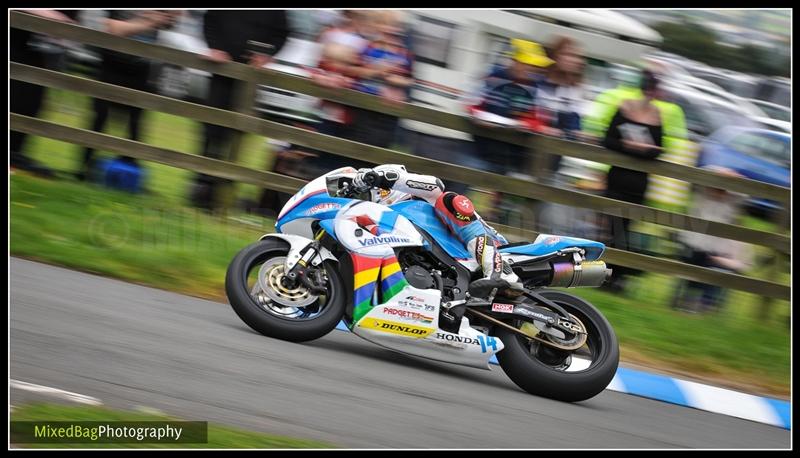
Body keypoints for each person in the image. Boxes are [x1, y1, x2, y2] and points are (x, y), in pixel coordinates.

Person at [345, 164, 524, 300]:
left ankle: (500, 271)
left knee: (448, 200)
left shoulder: (422, 200)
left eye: (372, 191)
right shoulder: (391, 224)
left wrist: (378, 176)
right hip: (458, 267)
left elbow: (435, 184)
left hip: (497, 247)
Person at [191, 10, 290, 209]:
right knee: (211, 128)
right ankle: (201, 187)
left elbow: (283, 33)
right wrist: (215, 47)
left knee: (236, 132)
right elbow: (210, 19)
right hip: (222, 70)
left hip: (250, 78)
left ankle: (224, 190)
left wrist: (266, 55)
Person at [78, 10, 181, 182]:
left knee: (135, 125)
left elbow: (170, 23)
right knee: (99, 118)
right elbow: (113, 28)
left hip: (142, 68)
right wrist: (146, 22)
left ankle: (128, 177)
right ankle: (84, 170)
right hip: (111, 63)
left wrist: (169, 16)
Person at [601, 69, 664, 292]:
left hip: (639, 181)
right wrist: (627, 146)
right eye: (649, 87)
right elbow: (607, 139)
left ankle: (617, 277)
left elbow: (658, 150)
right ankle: (603, 274)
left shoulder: (657, 114)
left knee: (626, 230)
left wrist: (645, 149)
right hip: (618, 175)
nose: (651, 92)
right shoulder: (625, 107)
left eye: (654, 89)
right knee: (610, 225)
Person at [673, 166, 752, 313]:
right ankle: (680, 302)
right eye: (718, 186)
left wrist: (735, 177)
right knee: (688, 273)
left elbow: (745, 192)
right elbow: (699, 173)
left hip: (716, 250)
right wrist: (719, 171)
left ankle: (703, 307)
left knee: (715, 273)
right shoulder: (702, 194)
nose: (719, 192)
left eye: (724, 188)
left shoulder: (732, 202)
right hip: (692, 243)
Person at [10, 9, 79, 177]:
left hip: (40, 53)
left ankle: (13, 158)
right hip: (15, 44)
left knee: (32, 105)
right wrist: (47, 13)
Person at [537, 36, 587, 172]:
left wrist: (579, 135)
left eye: (577, 56)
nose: (575, 60)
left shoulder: (574, 90)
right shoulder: (537, 83)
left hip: (552, 162)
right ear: (554, 55)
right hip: (524, 154)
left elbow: (574, 126)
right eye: (568, 54)